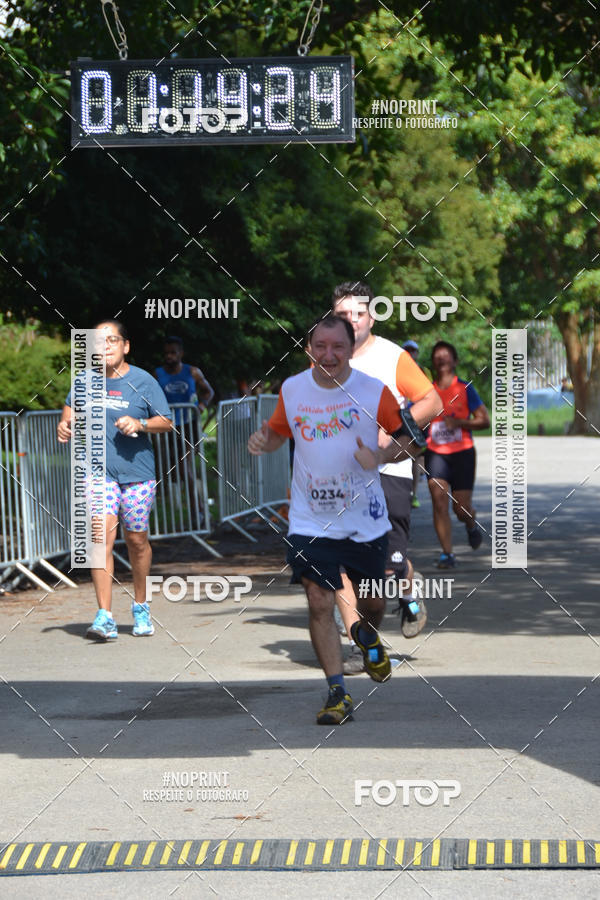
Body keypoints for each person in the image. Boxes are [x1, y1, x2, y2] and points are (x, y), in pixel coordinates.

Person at [248, 315, 420, 725]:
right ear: (309, 348)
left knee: (372, 604)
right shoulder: (292, 389)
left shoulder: (372, 391)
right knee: (319, 601)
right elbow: (278, 432)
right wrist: (263, 440)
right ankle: (337, 693)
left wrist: (379, 456)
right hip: (310, 519)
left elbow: (410, 440)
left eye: (337, 347)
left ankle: (368, 637)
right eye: (320, 346)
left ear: (350, 349)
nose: (329, 355)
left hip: (364, 519)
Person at [332, 284, 441, 674]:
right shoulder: (324, 356)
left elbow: (431, 400)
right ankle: (361, 645)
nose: (350, 322)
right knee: (339, 565)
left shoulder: (391, 356)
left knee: (380, 578)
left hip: (388, 472)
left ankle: (406, 580)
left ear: (370, 317)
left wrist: (395, 433)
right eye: (341, 315)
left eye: (356, 314)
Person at [58, 320, 173, 640]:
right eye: (100, 342)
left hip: (137, 475)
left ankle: (141, 605)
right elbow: (69, 413)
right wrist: (65, 427)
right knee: (100, 540)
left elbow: (166, 422)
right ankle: (104, 616)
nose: (105, 346)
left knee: (136, 541)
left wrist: (140, 423)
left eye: (112, 340)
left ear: (126, 346)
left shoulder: (143, 381)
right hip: (99, 473)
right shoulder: (84, 381)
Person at [425, 340, 490, 568]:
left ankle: (470, 524)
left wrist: (459, 422)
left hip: (462, 453)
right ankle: (447, 554)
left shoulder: (464, 388)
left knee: (460, 509)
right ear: (433, 362)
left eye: (446, 356)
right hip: (435, 453)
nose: (441, 360)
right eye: (437, 356)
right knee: (439, 501)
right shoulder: (426, 391)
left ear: (455, 361)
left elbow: (485, 420)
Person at [155, 336, 213, 527]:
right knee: (168, 470)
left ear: (181, 353)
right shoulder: (157, 374)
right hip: (167, 427)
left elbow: (208, 391)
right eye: (166, 353)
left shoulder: (192, 372)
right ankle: (164, 516)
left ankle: (198, 512)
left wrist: (203, 405)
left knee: (183, 466)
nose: (169, 357)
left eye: (173, 353)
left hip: (188, 425)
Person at [402, 339, 431, 509]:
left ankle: (413, 494)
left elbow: (430, 393)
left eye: (413, 351)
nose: (410, 354)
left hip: (418, 418)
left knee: (416, 456)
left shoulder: (423, 371)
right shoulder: (396, 368)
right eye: (407, 350)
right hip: (400, 417)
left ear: (417, 353)